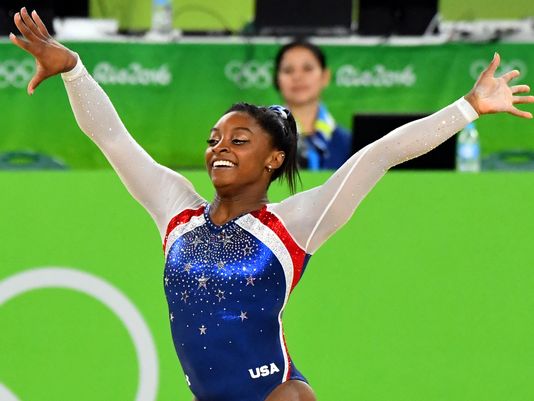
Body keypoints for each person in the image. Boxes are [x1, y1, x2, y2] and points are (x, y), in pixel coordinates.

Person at [10, 7, 533, 401]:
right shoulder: (177, 212)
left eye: (239, 141)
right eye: (215, 138)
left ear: (273, 158)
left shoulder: (293, 225)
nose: (219, 148)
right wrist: (74, 69)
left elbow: (380, 155)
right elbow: (113, 139)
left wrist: (468, 107)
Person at [274, 40, 352, 170]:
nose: (297, 77)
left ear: (325, 76)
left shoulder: (348, 143)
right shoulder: (265, 140)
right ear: (277, 80)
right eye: (288, 70)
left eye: (307, 69)